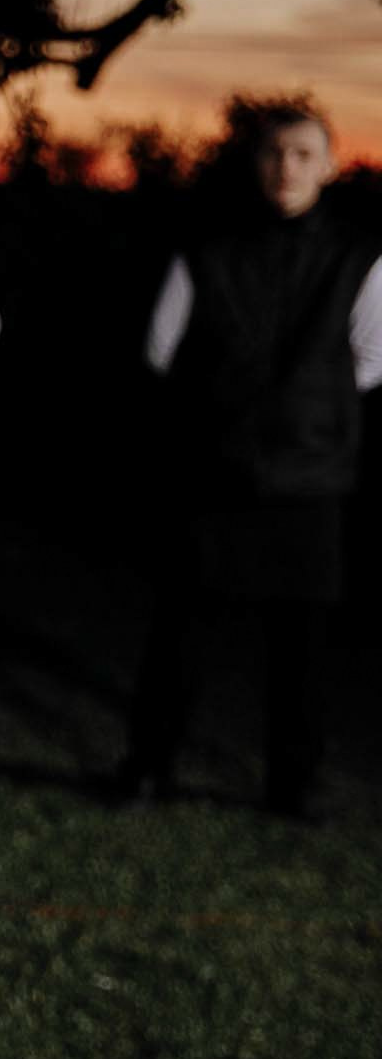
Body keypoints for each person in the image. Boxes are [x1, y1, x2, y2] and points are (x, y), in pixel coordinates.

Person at [114, 105, 382, 817]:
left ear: (327, 164)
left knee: (302, 647)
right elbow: (161, 349)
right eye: (273, 154)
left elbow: (371, 360)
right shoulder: (208, 248)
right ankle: (148, 766)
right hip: (216, 471)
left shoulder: (360, 255)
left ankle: (291, 786)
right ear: (255, 163)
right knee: (181, 634)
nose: (286, 168)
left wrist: (301, 410)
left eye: (302, 154)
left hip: (312, 477)